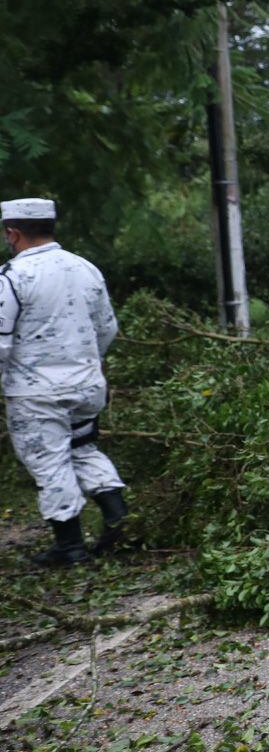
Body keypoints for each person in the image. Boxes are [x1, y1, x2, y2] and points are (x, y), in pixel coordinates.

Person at [0, 198, 129, 566]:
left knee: (49, 460)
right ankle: (118, 518)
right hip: (87, 385)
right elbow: (108, 328)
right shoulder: (85, 268)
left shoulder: (12, 277)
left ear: (13, 233)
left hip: (36, 393)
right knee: (83, 448)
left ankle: (69, 545)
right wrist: (87, 364)